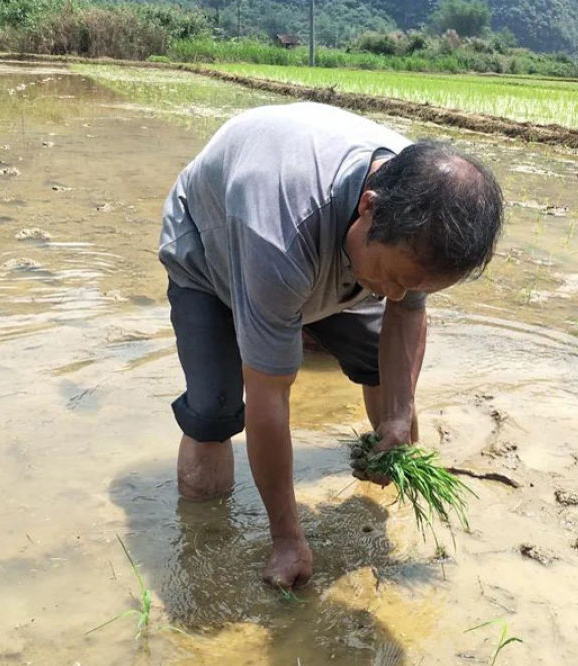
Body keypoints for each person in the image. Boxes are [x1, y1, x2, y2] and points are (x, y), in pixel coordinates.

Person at [158, 102, 503, 589]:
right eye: (394, 278)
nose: (397, 295)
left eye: (415, 283)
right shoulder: (277, 231)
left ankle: (386, 464)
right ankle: (203, 548)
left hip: (332, 249)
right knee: (213, 409)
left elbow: (406, 310)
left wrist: (400, 414)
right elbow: (270, 396)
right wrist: (286, 538)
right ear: (368, 208)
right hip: (212, 251)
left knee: (382, 368)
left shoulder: (428, 209)